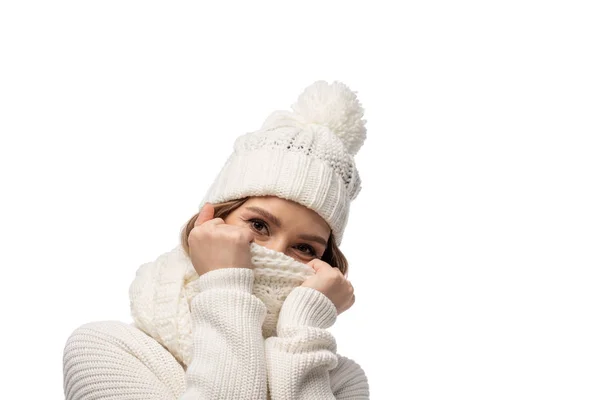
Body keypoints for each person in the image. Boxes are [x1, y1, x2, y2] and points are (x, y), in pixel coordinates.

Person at [62, 80, 371, 399]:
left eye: (304, 248)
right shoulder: (104, 350)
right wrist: (226, 287)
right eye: (259, 225)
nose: (275, 252)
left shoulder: (341, 382)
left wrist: (303, 330)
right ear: (210, 221)